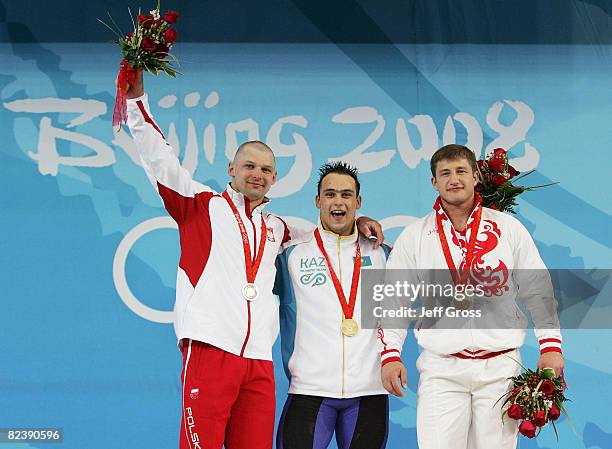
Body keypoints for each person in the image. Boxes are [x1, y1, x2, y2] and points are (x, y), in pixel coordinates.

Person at [124, 70, 383, 449]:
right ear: (232, 169)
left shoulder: (278, 228)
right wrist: (136, 103)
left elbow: (328, 229)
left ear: (275, 177)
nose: (257, 174)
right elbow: (159, 159)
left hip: (258, 361)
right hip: (211, 349)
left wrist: (355, 220)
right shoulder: (201, 206)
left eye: (265, 169)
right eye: (249, 166)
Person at [379, 144, 564, 449]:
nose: (454, 179)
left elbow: (538, 288)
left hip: (500, 369)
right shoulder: (415, 236)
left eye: (461, 171)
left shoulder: (508, 229)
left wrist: (550, 344)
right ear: (434, 182)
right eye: (445, 173)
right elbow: (395, 299)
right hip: (442, 369)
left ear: (476, 176)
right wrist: (391, 354)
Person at [274, 162, 391, 449]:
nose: (338, 201)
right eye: (329, 194)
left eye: (346, 195)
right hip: (309, 391)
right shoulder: (290, 256)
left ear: (358, 202)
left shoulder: (383, 255)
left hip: (369, 393)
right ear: (318, 201)